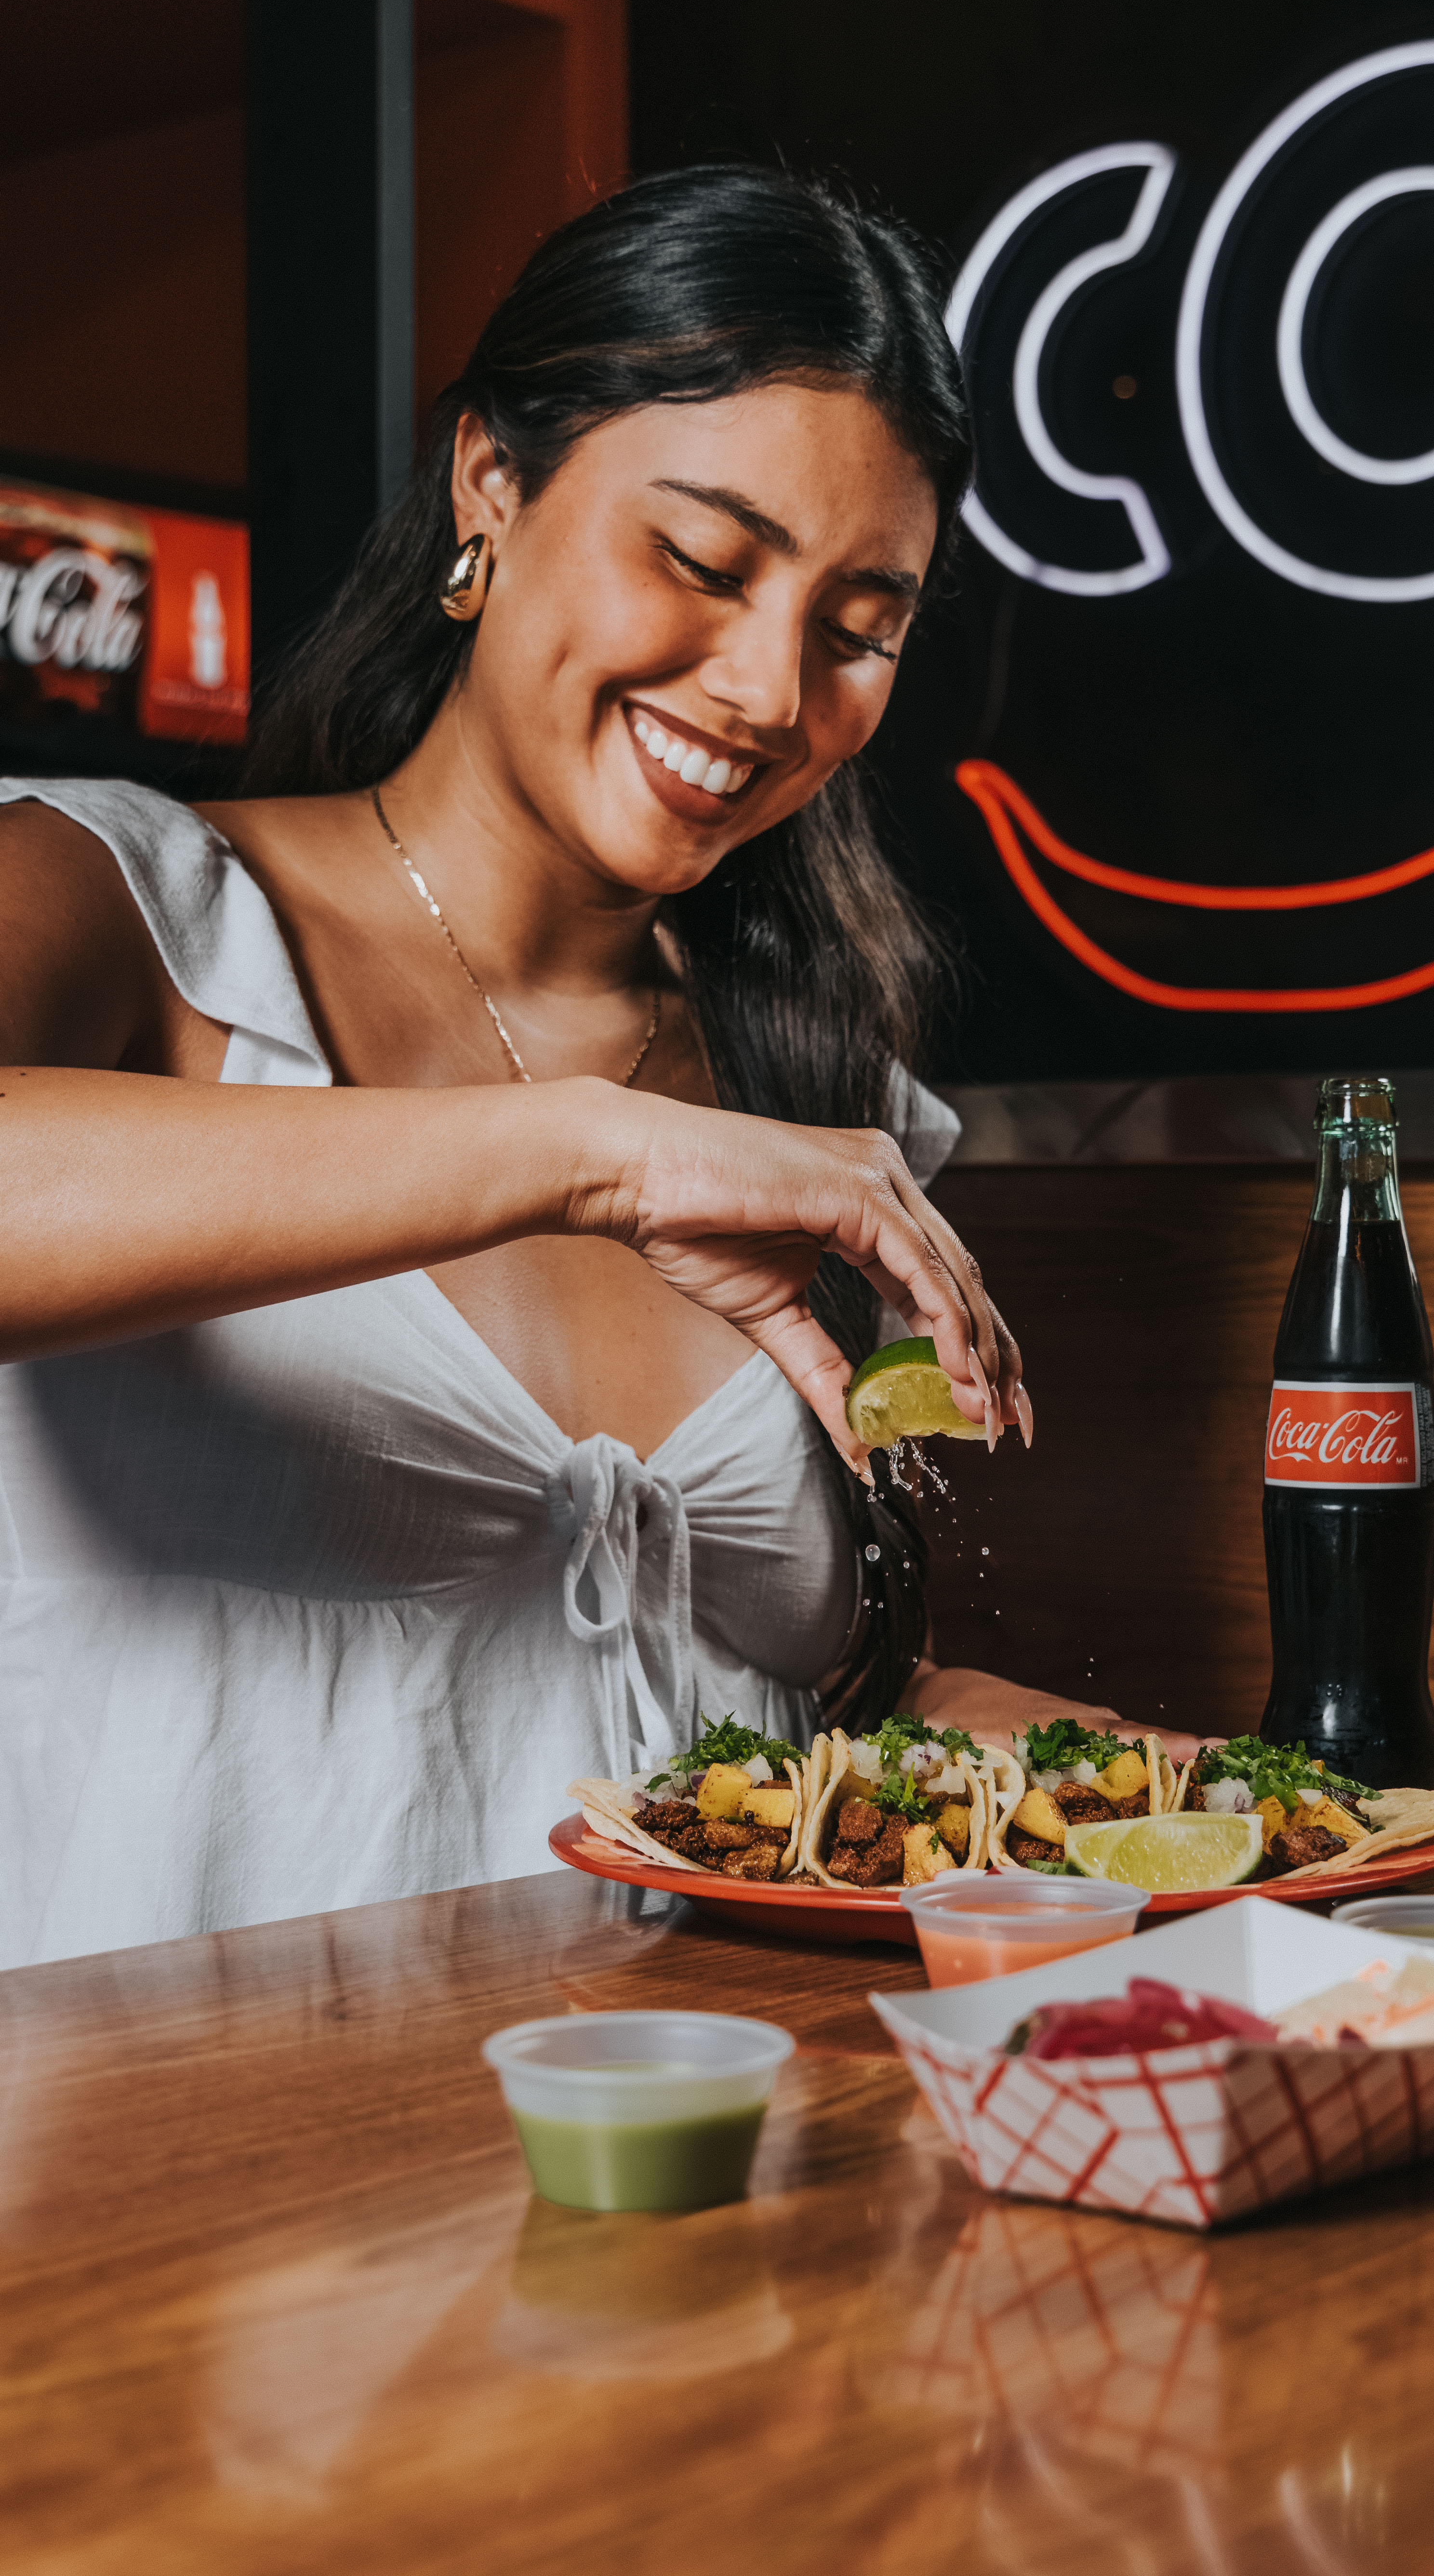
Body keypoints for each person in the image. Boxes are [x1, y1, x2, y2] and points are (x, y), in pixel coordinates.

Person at [0, 165, 1189, 1971]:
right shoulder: (122, 894)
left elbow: (720, 1715)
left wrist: (1015, 1757)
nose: (773, 692)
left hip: (678, 2184)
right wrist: (589, 1152)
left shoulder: (819, 1099)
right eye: (704, 563)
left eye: (862, 630)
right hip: (168, 2208)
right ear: (493, 484)